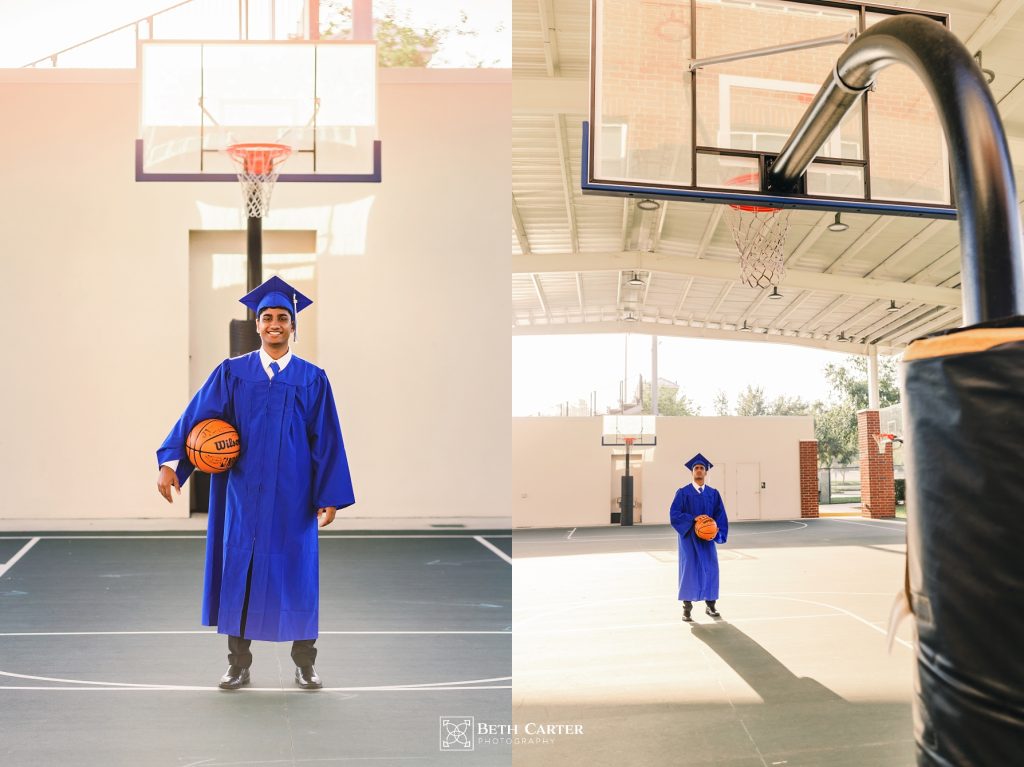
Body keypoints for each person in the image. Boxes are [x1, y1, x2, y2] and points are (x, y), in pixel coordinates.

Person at [155, 275, 354, 690]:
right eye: (267, 317)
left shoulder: (311, 378)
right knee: (239, 572)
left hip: (294, 497)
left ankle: (305, 663)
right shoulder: (232, 373)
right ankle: (238, 664)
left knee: (296, 573)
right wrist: (173, 464)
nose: (274, 324)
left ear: (293, 326)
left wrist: (329, 495)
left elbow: (327, 438)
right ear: (258, 324)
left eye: (283, 317)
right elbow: (197, 421)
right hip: (241, 495)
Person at [669, 453, 728, 622]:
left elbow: (720, 514)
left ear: (706, 472)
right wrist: (692, 519)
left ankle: (711, 605)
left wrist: (716, 531)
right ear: (692, 472)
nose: (699, 471)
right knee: (689, 569)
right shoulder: (683, 493)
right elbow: (674, 514)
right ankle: (686, 609)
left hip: (707, 537)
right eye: (696, 468)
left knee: (710, 568)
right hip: (689, 537)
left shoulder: (713, 494)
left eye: (702, 468)